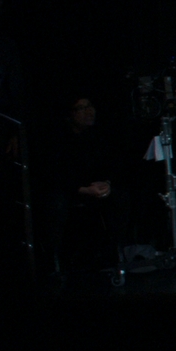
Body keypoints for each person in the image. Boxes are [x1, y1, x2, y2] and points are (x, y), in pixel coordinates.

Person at [43, 96, 124, 285]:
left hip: (96, 188)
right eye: (81, 108)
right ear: (70, 115)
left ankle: (115, 255)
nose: (89, 112)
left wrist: (106, 183)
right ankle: (55, 262)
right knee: (56, 205)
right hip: (71, 191)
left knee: (120, 198)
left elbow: (111, 166)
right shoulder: (59, 141)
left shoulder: (99, 137)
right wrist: (83, 190)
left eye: (90, 106)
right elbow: (57, 176)